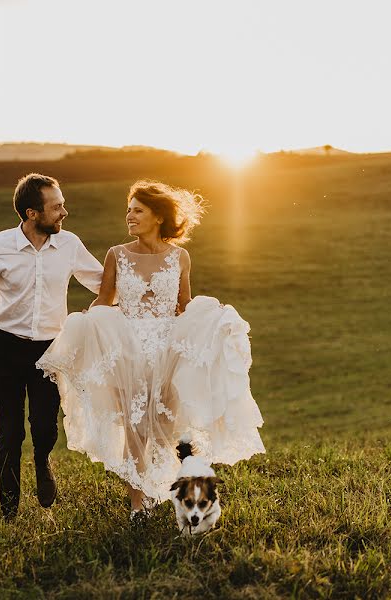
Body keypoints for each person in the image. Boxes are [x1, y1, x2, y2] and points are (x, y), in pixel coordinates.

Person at [36, 180, 265, 516]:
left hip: (166, 350)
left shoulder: (180, 257)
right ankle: (137, 505)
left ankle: (162, 487)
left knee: (165, 426)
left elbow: (183, 304)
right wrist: (88, 322)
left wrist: (212, 321)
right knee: (132, 427)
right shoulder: (116, 254)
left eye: (137, 210)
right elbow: (105, 300)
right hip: (126, 348)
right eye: (128, 210)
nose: (130, 216)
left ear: (158, 217)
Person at [0, 173, 103, 519]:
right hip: (6, 348)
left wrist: (96, 310)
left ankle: (43, 459)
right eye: (57, 206)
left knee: (45, 427)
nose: (65, 212)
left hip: (51, 350)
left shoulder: (69, 245)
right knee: (10, 431)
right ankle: (9, 510)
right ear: (32, 213)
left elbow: (103, 283)